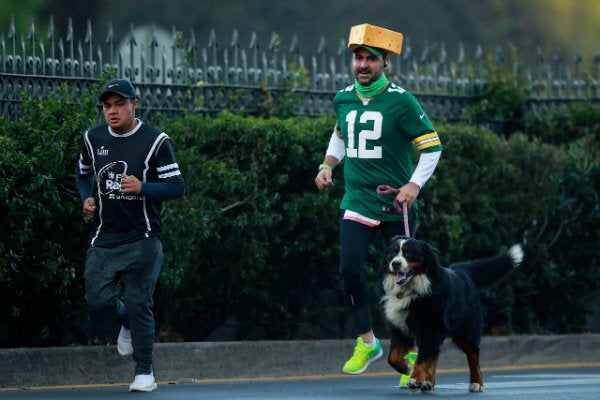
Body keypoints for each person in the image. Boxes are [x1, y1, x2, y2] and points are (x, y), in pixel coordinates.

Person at [314, 24, 442, 379]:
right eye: (358, 57)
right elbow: (341, 134)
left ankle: (405, 354)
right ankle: (367, 341)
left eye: (372, 58)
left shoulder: (402, 101)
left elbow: (432, 147)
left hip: (395, 205)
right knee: (350, 269)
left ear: (386, 62)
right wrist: (327, 165)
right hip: (356, 200)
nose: (363, 64)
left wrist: (414, 185)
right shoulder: (343, 98)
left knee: (403, 282)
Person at [75, 78, 185, 392]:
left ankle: (144, 372)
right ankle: (124, 321)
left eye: (120, 104)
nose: (112, 111)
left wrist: (143, 187)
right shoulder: (93, 137)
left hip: (144, 237)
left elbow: (177, 187)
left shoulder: (155, 140)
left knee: (139, 302)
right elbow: (82, 172)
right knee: (98, 301)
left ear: (134, 105)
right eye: (107, 106)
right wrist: (86, 197)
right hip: (105, 237)